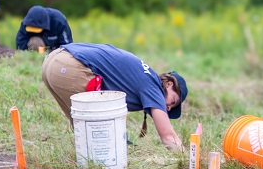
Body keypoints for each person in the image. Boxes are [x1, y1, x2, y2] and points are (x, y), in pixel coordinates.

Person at [41, 43, 187, 150]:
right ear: (168, 84)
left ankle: (86, 168)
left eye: (171, 108)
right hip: (68, 66)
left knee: (87, 129)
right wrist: (187, 162)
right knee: (99, 132)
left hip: (53, 60)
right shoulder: (153, 86)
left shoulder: (146, 76)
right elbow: (168, 136)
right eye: (173, 101)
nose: (168, 108)